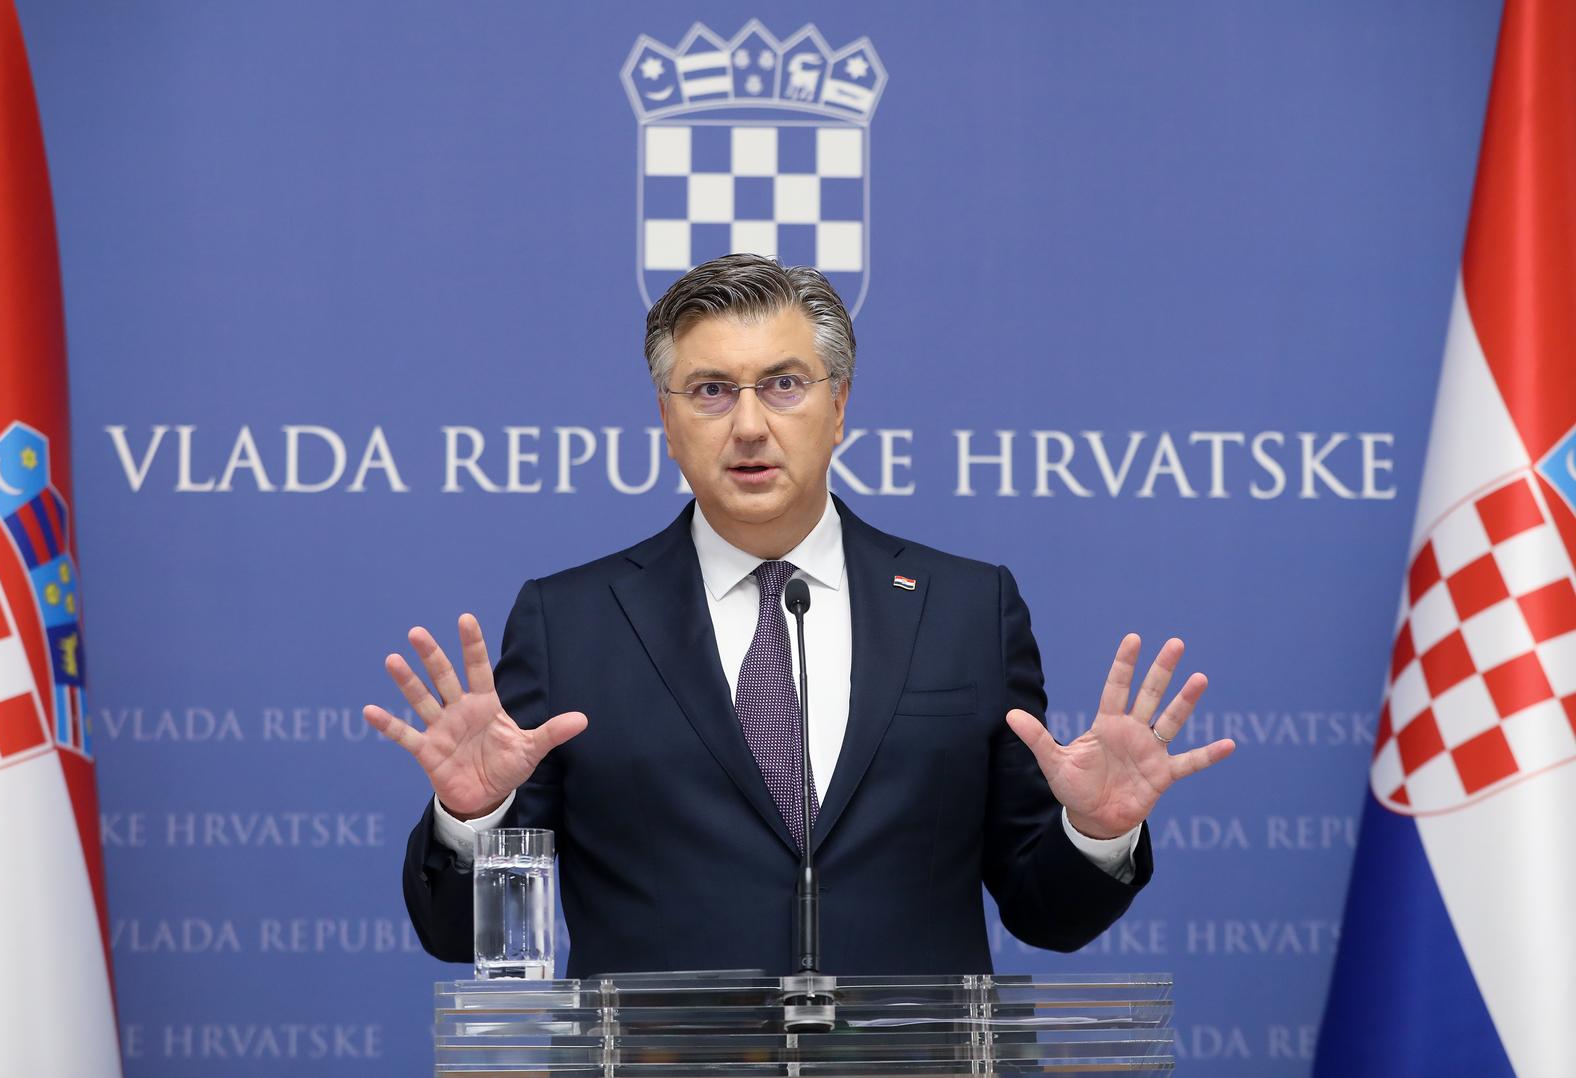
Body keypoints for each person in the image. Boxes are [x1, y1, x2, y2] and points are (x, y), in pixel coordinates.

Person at [363, 255, 1234, 978]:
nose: (748, 425)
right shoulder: (570, 621)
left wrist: (1095, 833)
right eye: (709, 390)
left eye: (783, 385)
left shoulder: (969, 609)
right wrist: (474, 822)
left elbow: (1048, 915)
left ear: (840, 405)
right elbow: (457, 936)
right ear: (665, 420)